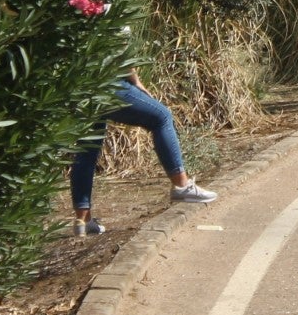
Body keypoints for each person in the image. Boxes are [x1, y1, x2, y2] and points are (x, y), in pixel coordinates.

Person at [70, 71, 216, 236]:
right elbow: (121, 48)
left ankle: (83, 221)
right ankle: (181, 185)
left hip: (81, 84)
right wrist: (136, 81)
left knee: (87, 148)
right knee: (162, 117)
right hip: (108, 83)